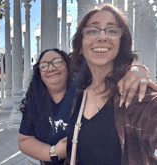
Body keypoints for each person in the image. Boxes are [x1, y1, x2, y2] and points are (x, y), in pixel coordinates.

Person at [18, 46, 156, 164]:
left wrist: (137, 70)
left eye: (57, 62)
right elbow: (24, 140)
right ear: (39, 74)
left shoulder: (86, 93)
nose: (51, 68)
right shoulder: (34, 103)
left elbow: (110, 74)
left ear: (68, 66)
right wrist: (53, 152)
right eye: (44, 65)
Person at [66, 4, 157, 165]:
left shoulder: (138, 94)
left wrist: (139, 71)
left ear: (121, 44)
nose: (102, 37)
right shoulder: (79, 95)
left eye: (112, 30)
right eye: (92, 30)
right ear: (80, 46)